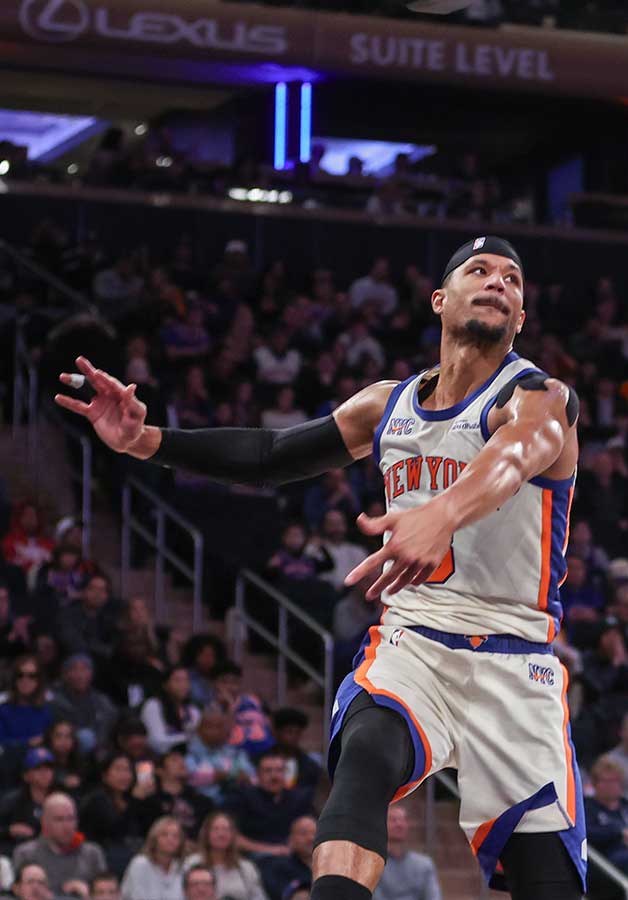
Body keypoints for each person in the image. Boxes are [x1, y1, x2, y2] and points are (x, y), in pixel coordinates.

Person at [59, 235, 587, 900]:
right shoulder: (387, 405)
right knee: (364, 754)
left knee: (549, 885)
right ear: (439, 300)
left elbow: (517, 454)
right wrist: (145, 441)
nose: (497, 283)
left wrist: (442, 513)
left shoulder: (541, 399)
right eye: (478, 271)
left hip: (517, 660)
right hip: (416, 643)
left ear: (520, 317)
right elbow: (271, 452)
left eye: (512, 280)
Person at [223, 748, 313, 855]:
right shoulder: (242, 797)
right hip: (254, 859)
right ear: (257, 774)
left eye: (279, 770)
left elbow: (311, 831)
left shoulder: (298, 798)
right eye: (268, 771)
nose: (274, 776)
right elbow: (231, 836)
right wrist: (271, 850)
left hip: (292, 858)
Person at [13, 793, 104, 897]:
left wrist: (88, 894)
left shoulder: (92, 854)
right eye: (59, 819)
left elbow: (107, 894)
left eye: (71, 818)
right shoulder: (26, 854)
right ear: (44, 822)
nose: (67, 826)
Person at [78, 754, 153, 874]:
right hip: (103, 857)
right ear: (105, 775)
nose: (124, 775)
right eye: (118, 769)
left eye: (127, 770)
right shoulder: (97, 800)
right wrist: (136, 800)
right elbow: (115, 831)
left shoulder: (131, 799)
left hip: (133, 854)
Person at [584, 759, 628, 882]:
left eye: (615, 781)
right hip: (603, 861)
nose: (611, 785)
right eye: (606, 781)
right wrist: (619, 834)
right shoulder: (587, 808)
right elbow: (587, 833)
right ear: (595, 784)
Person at [184, 812, 267, 900]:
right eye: (215, 829)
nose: (221, 834)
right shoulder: (190, 863)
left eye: (226, 829)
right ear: (207, 834)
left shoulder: (246, 868)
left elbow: (259, 897)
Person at [46, 655, 117, 753]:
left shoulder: (102, 701)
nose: (80, 675)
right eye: (74, 669)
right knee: (85, 737)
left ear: (92, 674)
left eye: (85, 669)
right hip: (62, 746)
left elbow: (107, 727)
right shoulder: (53, 698)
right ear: (65, 674)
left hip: (97, 749)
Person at [186, 711, 255, 804]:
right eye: (211, 727)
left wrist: (227, 775)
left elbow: (250, 776)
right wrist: (231, 775)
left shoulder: (235, 751)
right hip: (203, 803)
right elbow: (192, 777)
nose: (217, 731)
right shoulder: (188, 751)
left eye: (221, 727)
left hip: (237, 802)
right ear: (199, 730)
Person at [370, 807, 439, 900]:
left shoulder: (424, 864)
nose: (399, 824)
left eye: (403, 820)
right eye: (393, 820)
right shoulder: (373, 864)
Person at [1, 749, 56, 854]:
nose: (45, 773)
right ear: (26, 776)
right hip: (17, 852)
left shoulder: (60, 800)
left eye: (49, 768)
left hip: (53, 854)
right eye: (38, 769)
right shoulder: (11, 801)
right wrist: (9, 830)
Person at [120, 816, 186, 900]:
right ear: (154, 839)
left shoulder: (183, 867)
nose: (170, 839)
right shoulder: (140, 865)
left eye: (175, 836)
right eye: (164, 835)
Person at [140, 668, 200, 754]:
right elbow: (157, 742)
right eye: (177, 680)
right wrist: (189, 738)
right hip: (161, 757)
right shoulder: (153, 705)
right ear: (165, 685)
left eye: (186, 680)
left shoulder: (193, 710)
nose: (183, 685)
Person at [260, 816, 316, 900]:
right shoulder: (278, 866)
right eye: (303, 833)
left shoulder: (329, 865)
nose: (311, 838)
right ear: (291, 839)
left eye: (315, 833)